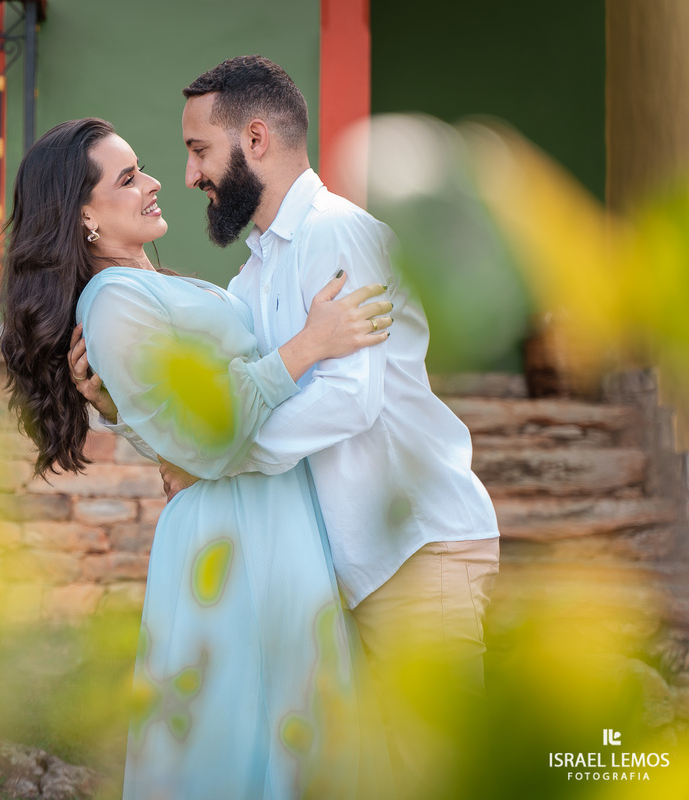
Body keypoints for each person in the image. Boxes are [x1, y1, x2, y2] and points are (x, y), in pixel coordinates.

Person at [70, 56, 501, 796]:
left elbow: (348, 400)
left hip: (414, 554)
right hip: (338, 570)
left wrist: (220, 457)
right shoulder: (251, 278)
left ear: (255, 139)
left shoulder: (337, 235)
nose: (189, 174)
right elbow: (228, 406)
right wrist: (133, 420)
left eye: (199, 150)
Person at [0, 118, 395, 798]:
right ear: (84, 216)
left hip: (264, 511)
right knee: (246, 726)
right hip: (231, 533)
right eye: (128, 179)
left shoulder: (149, 287)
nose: (155, 184)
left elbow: (184, 433)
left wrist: (127, 415)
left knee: (290, 723)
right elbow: (209, 432)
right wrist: (308, 345)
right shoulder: (113, 302)